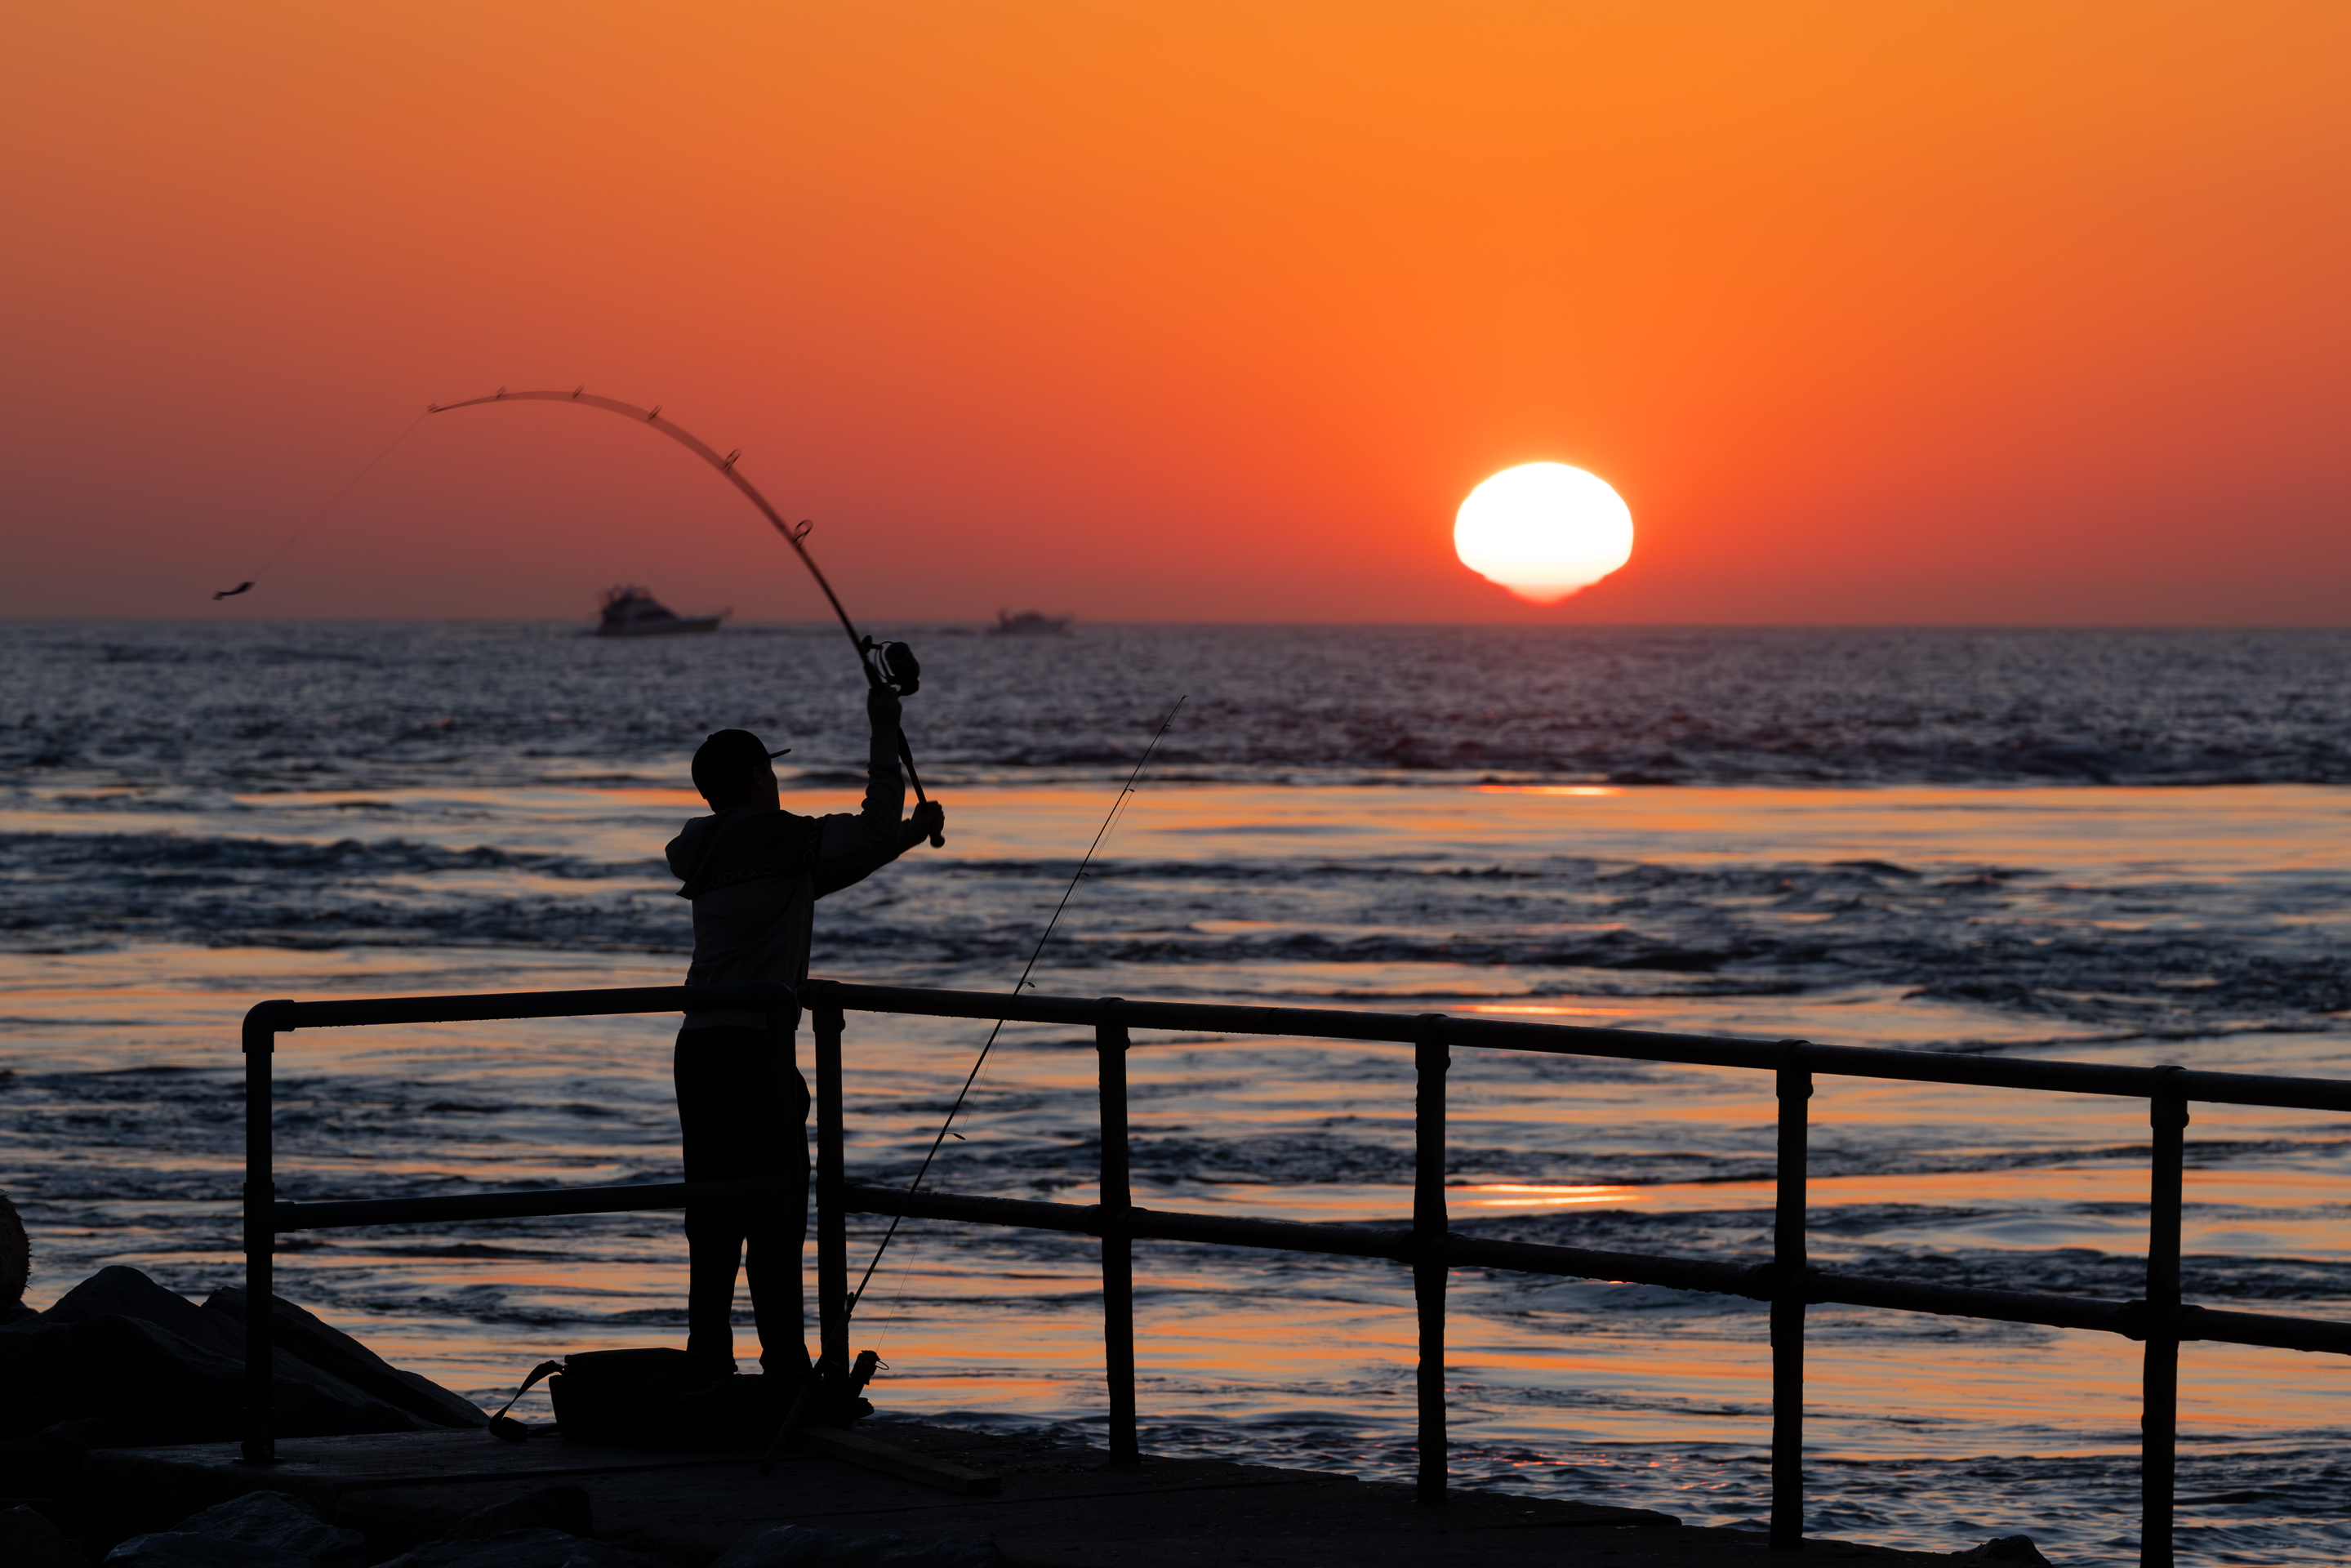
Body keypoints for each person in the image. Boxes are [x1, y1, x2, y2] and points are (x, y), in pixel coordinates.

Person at [664, 687, 945, 1385]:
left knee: (713, 1213)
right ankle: (787, 1370)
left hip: (700, 1047)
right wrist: (885, 732)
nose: (776, 781)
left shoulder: (714, 848)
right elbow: (866, 830)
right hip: (755, 1051)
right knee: (777, 1210)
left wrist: (907, 838)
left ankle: (709, 1366)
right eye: (769, 769)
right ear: (751, 777)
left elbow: (815, 879)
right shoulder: (772, 835)